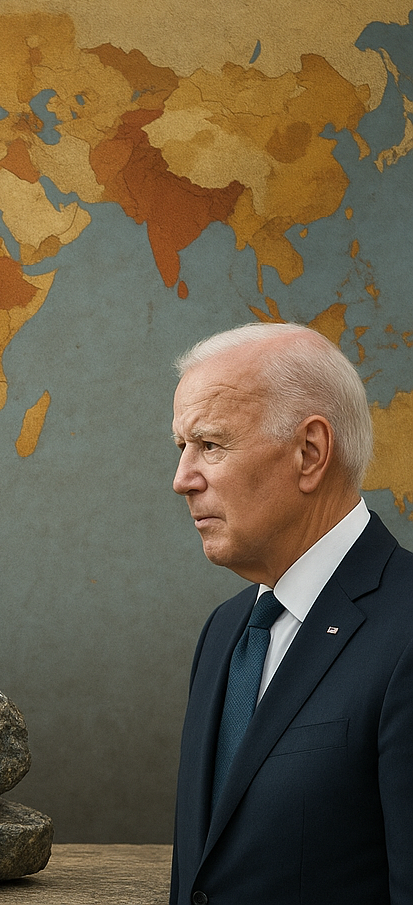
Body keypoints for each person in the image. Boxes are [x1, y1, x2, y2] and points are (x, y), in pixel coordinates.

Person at [169, 321, 413, 905]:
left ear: (310, 453)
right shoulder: (226, 631)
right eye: (182, 448)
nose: (182, 480)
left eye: (211, 445)